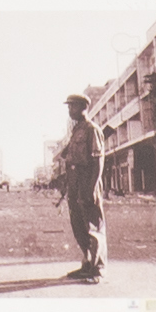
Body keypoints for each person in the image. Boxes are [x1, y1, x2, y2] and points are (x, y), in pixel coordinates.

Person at [51, 91, 108, 284]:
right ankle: (87, 264)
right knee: (78, 226)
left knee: (93, 227)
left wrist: (91, 187)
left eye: (72, 106)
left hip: (87, 180)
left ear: (83, 107)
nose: (69, 110)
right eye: (68, 107)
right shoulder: (76, 131)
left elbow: (99, 161)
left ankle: (98, 269)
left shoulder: (93, 129)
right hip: (75, 182)